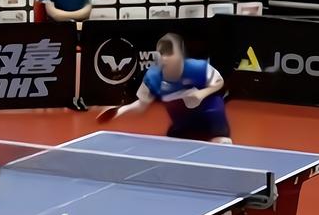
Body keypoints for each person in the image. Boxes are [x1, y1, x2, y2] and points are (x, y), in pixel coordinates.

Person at [98, 33, 232, 144]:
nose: (166, 58)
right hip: (183, 123)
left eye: (171, 54)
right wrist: (119, 111)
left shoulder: (199, 68)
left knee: (222, 143)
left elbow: (219, 82)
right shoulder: (153, 76)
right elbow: (141, 105)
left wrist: (201, 94)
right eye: (163, 54)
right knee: (170, 148)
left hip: (211, 117)